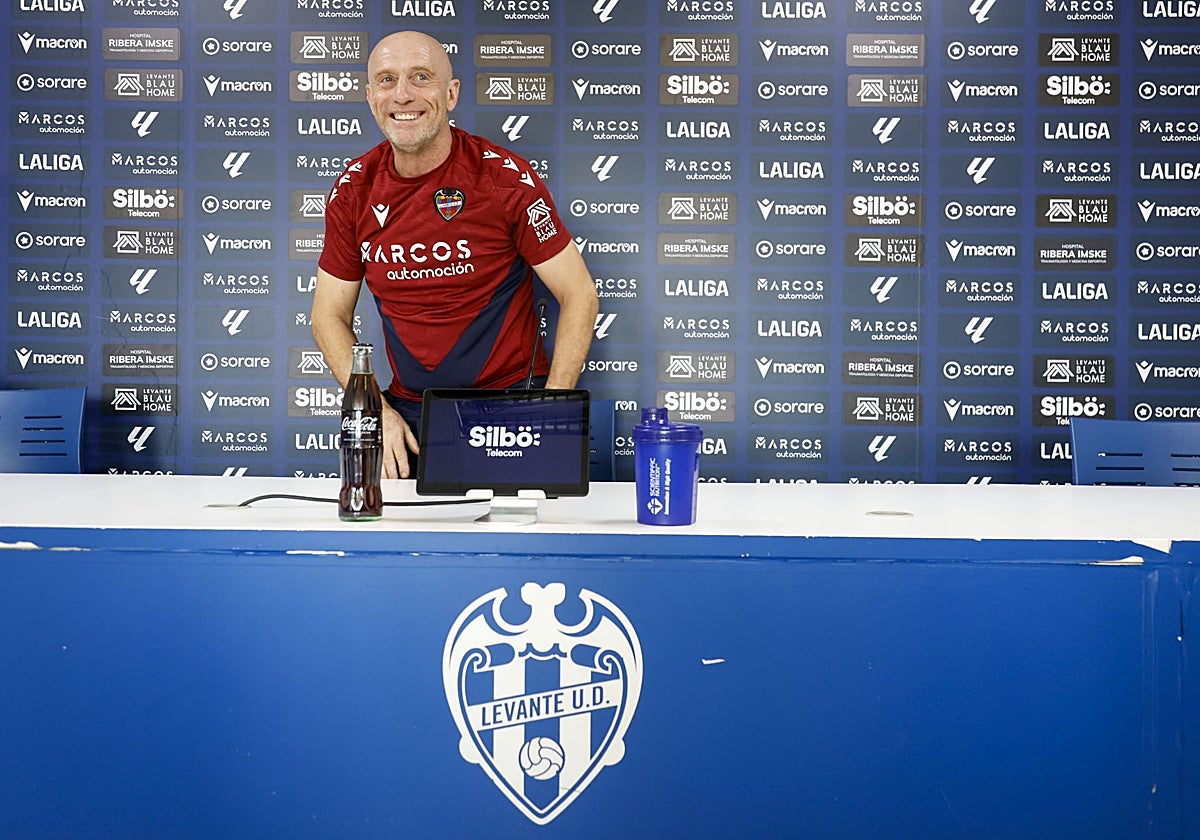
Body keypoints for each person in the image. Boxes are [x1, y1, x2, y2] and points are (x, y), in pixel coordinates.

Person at [311, 30, 599, 479]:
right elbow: (327, 315)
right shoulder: (355, 189)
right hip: (409, 415)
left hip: (512, 406)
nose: (402, 95)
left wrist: (551, 408)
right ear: (370, 98)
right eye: (387, 80)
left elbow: (579, 293)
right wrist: (376, 411)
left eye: (420, 77)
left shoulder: (503, 179)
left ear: (451, 94)